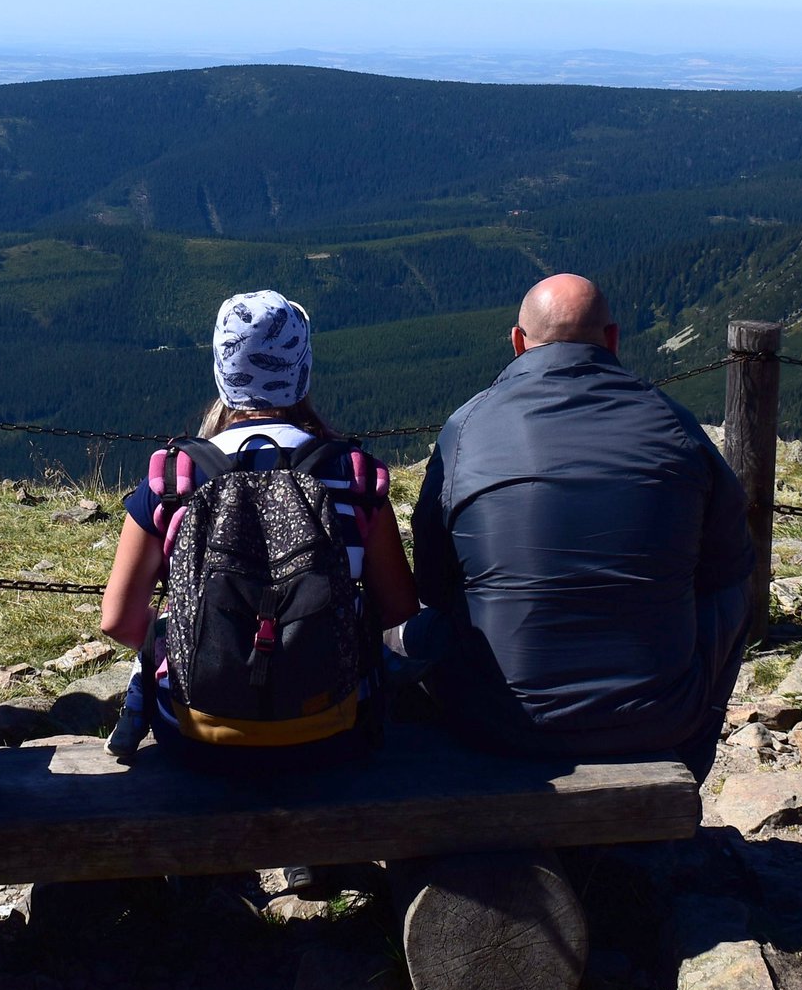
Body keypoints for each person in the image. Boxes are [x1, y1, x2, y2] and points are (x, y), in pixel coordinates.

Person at [409, 273, 752, 782]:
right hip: (659, 720)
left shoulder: (467, 427)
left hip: (499, 722)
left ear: (518, 342)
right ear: (612, 339)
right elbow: (729, 563)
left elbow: (433, 583)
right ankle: (680, 766)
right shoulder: (673, 423)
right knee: (732, 596)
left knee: (410, 629)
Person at [100, 290, 419, 772]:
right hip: (332, 732)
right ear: (303, 372)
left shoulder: (172, 478)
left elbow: (118, 620)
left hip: (196, 735)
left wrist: (188, 637)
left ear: (221, 372)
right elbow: (398, 608)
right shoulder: (355, 476)